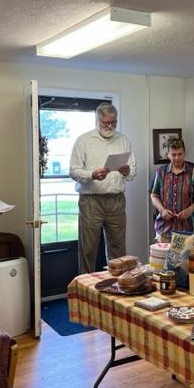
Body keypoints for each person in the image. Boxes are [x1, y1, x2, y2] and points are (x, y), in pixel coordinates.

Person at [69, 102, 136, 274]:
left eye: (113, 122)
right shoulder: (83, 140)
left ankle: (118, 289)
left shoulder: (123, 140)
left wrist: (127, 171)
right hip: (91, 201)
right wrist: (92, 175)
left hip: (116, 201)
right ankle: (85, 293)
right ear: (98, 120)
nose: (110, 126)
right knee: (88, 249)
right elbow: (73, 171)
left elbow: (132, 172)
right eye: (106, 123)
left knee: (118, 249)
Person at [150, 138, 194, 241]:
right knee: (163, 257)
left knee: (189, 258)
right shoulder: (160, 172)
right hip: (165, 229)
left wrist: (190, 209)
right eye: (173, 155)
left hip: (189, 229)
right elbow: (154, 195)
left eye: (180, 154)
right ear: (168, 154)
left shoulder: (193, 172)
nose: (177, 158)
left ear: (185, 153)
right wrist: (162, 210)